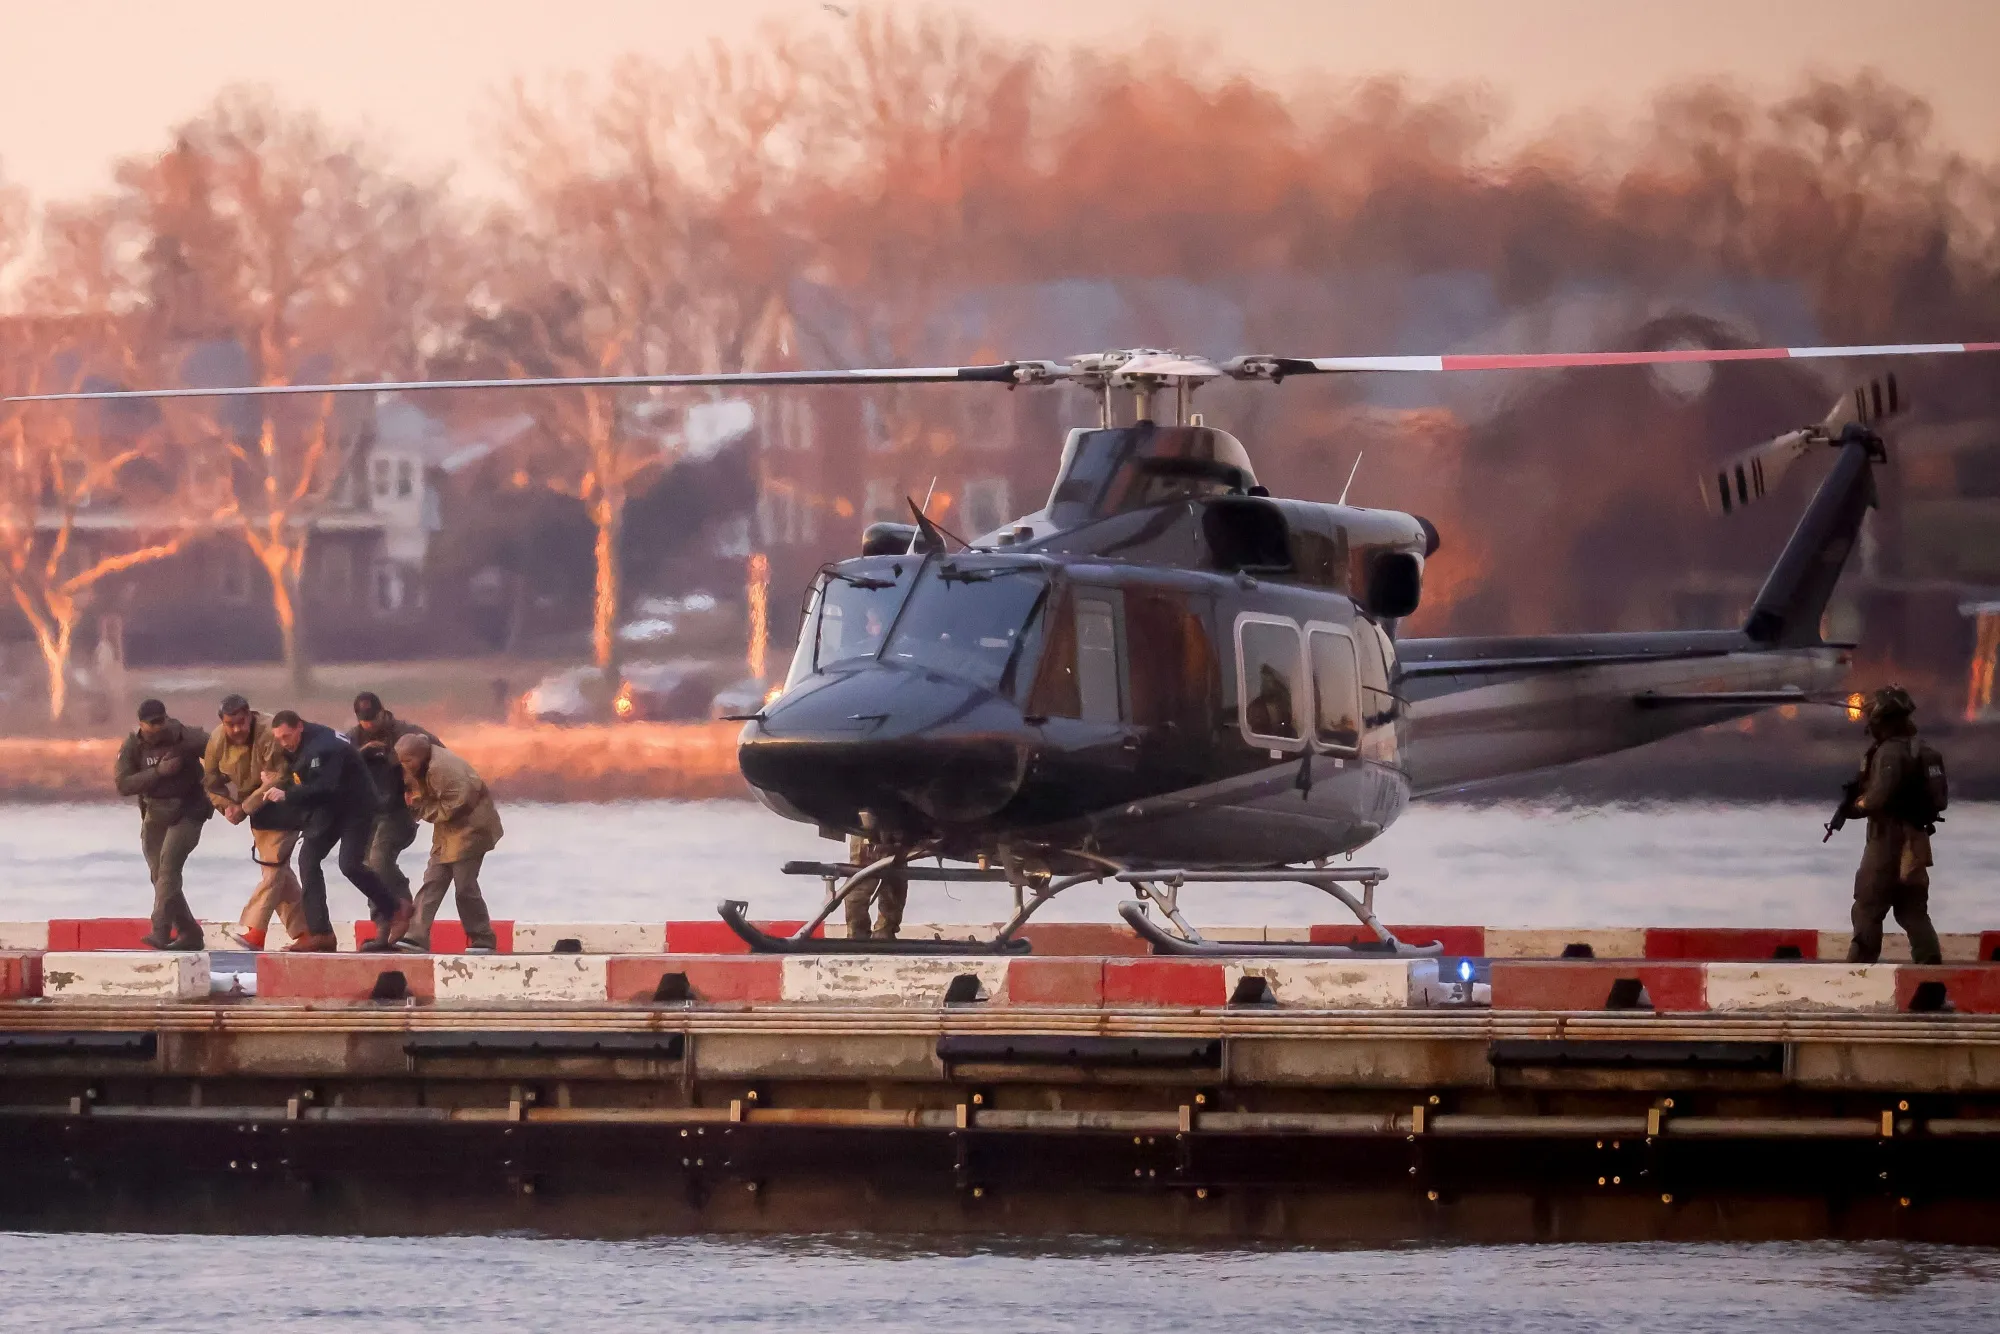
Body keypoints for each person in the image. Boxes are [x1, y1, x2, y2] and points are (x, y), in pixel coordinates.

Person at [255, 710, 413, 953]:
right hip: (329, 808)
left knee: (349, 864)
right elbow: (302, 778)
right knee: (308, 859)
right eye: (279, 738)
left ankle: (395, 908)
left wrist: (287, 794)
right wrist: (277, 781)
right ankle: (321, 934)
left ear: (300, 727)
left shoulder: (324, 746)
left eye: (287, 736)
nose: (284, 743)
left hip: (356, 807)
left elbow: (324, 786)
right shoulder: (299, 745)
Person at [1838, 685, 1944, 965]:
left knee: (1868, 905)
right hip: (1917, 841)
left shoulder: (1887, 753)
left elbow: (1877, 797)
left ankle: (1859, 970)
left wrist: (1856, 806)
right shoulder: (1926, 752)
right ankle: (1929, 965)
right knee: (1913, 909)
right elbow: (1940, 800)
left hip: (1886, 839)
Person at [202, 694, 308, 950]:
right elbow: (210, 782)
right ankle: (308, 931)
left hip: (284, 803)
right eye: (231, 724)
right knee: (279, 875)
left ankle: (255, 931)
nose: (237, 729)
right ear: (222, 723)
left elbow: (280, 776)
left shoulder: (269, 733)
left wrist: (245, 807)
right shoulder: (217, 740)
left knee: (273, 869)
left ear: (250, 716)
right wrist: (227, 807)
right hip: (255, 811)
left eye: (241, 722)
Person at [113, 698, 213, 950]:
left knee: (168, 869)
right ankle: (189, 932)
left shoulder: (185, 737)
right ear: (141, 725)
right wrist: (158, 772)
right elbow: (123, 784)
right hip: (155, 813)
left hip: (188, 811)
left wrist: (216, 784)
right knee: (159, 876)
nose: (158, 727)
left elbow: (218, 752)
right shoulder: (132, 746)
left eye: (161, 721)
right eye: (152, 723)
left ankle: (160, 929)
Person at [392, 732, 502, 954]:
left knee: (465, 886)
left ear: (421, 755)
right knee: (432, 880)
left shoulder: (446, 770)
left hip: (472, 828)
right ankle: (417, 936)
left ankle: (482, 938)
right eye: (401, 760)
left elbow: (456, 805)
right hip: (447, 831)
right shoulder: (421, 766)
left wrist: (420, 808)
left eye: (408, 760)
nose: (405, 766)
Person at [345, 692, 441, 945]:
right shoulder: (353, 738)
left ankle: (400, 905)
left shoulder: (406, 733)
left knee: (379, 859)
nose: (369, 726)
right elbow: (338, 766)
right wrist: (361, 755)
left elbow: (440, 757)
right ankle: (382, 924)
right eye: (363, 720)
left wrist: (418, 788)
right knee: (364, 867)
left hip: (399, 811)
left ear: (382, 712)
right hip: (368, 812)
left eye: (373, 719)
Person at [842, 834, 907, 943]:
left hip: (898, 828)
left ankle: (882, 933)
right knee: (861, 879)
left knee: (894, 880)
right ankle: (859, 935)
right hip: (866, 829)